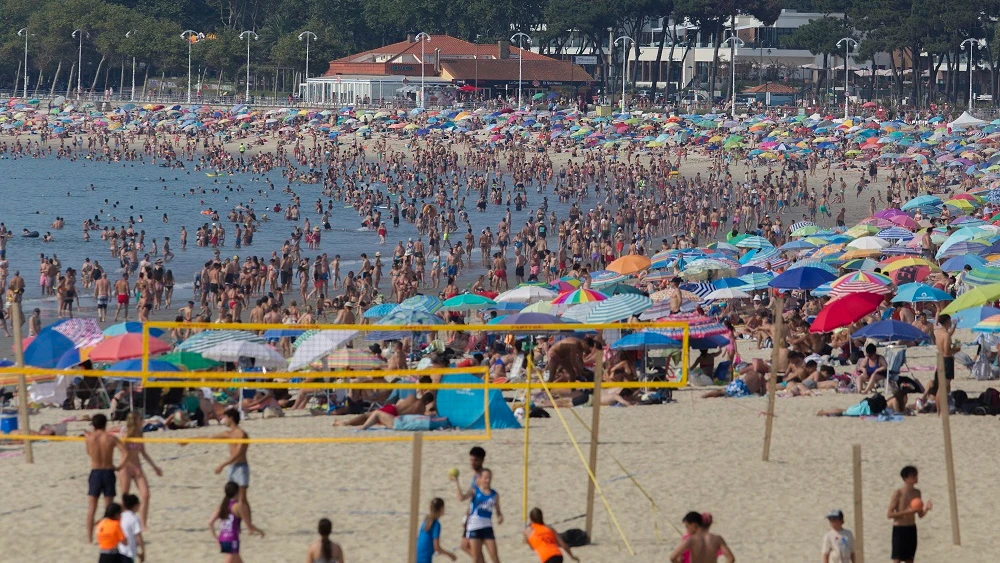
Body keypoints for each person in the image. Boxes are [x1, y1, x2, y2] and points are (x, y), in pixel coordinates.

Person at [86, 413, 128, 543]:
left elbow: (89, 452)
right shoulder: (111, 438)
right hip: (108, 471)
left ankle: (89, 538)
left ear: (94, 425)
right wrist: (119, 467)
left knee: (92, 508)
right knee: (108, 507)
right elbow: (125, 452)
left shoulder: (89, 438)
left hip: (95, 471)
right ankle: (108, 534)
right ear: (105, 424)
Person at [119, 412, 163, 530]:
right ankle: (119, 521)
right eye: (140, 419)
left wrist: (155, 467)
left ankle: (143, 524)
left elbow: (143, 452)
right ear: (134, 421)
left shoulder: (140, 433)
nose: (142, 421)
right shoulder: (126, 434)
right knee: (125, 498)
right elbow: (122, 451)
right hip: (126, 469)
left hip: (137, 468)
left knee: (146, 495)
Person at [455, 468, 503, 563]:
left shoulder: (495, 494)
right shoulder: (474, 491)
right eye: (485, 478)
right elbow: (461, 497)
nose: (487, 480)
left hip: (487, 527)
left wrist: (500, 517)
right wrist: (456, 482)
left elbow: (498, 511)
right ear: (480, 478)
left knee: (495, 558)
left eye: (489, 478)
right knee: (476, 558)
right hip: (474, 527)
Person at [209, 481, 264, 562]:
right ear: (237, 492)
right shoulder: (238, 507)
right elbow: (249, 526)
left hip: (223, 537)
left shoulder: (222, 506)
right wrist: (260, 531)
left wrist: (217, 539)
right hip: (232, 539)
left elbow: (210, 523)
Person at [888, 466, 931, 563]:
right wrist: (906, 512)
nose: (916, 477)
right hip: (899, 529)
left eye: (916, 475)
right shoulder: (898, 493)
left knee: (910, 559)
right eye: (913, 475)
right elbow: (889, 515)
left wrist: (926, 509)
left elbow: (920, 515)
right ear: (905, 478)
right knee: (897, 559)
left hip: (911, 528)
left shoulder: (917, 493)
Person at [453, 446, 487, 558]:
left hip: (478, 518)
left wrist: (456, 482)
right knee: (465, 546)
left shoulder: (481, 477)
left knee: (472, 548)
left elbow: (463, 497)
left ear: (482, 460)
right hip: (473, 515)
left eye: (475, 460)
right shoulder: (477, 475)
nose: (472, 463)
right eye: (471, 460)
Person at [669, 511, 734, 563]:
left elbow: (673, 557)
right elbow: (731, 558)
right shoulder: (717, 539)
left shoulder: (691, 540)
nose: (687, 530)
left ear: (694, 525)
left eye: (687, 526)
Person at [417, 498, 457, 563]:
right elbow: (437, 547)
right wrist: (450, 555)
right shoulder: (436, 524)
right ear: (441, 509)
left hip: (417, 554)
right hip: (425, 557)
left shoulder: (426, 520)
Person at [934, 314, 959, 397]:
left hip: (940, 358)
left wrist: (954, 326)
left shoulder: (938, 332)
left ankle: (946, 405)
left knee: (946, 386)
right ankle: (941, 407)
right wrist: (956, 349)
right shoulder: (946, 335)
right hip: (947, 360)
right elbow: (947, 352)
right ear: (947, 322)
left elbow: (948, 334)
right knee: (943, 387)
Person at [118, 494, 145, 563]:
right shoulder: (134, 518)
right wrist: (142, 550)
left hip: (118, 551)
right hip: (129, 552)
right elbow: (138, 537)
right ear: (135, 505)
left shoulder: (120, 517)